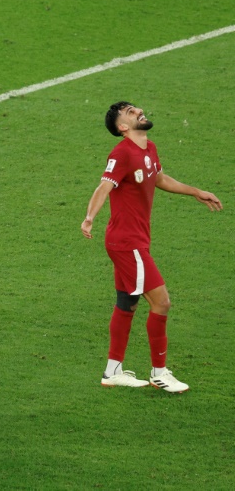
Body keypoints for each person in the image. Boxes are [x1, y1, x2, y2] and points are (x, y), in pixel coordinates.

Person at [81, 102, 222, 392]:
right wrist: (89, 218)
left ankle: (113, 371)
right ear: (122, 127)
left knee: (127, 303)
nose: (139, 112)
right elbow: (103, 187)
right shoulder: (121, 153)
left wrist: (196, 191)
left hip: (133, 240)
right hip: (127, 243)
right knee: (162, 302)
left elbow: (158, 178)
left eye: (137, 109)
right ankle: (159, 373)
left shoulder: (149, 148)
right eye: (131, 112)